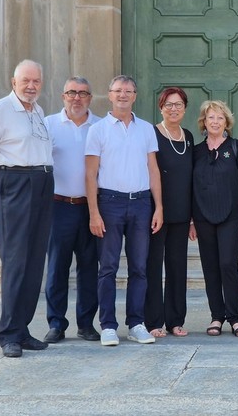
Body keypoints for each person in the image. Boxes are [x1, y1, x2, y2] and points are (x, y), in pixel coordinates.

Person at [0, 59, 54, 358]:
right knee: (16, 261)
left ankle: (22, 329)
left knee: (34, 262)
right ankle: (8, 334)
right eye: (26, 81)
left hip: (43, 184)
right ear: (13, 81)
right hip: (14, 184)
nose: (31, 86)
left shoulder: (39, 111)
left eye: (36, 81)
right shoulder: (0, 109)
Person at [85, 75, 163, 346]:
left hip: (141, 204)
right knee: (107, 267)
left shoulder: (146, 129)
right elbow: (90, 174)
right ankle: (108, 325)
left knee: (139, 267)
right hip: (110, 204)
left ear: (135, 95)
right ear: (109, 94)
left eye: (128, 91)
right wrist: (94, 212)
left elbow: (153, 170)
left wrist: (159, 207)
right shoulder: (97, 130)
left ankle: (136, 323)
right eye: (118, 91)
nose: (123, 95)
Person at [43, 77, 101, 344]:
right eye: (71, 93)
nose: (77, 98)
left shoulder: (101, 126)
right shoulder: (48, 125)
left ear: (90, 97)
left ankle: (86, 324)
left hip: (91, 207)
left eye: (82, 93)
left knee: (90, 268)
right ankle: (56, 323)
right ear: (62, 96)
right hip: (58, 206)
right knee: (57, 268)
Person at [192, 100, 238, 337]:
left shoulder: (236, 147)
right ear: (204, 122)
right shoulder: (195, 152)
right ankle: (216, 316)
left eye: (220, 118)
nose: (215, 122)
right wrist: (190, 221)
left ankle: (234, 318)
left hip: (232, 215)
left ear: (226, 122)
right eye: (210, 118)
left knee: (228, 264)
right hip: (202, 217)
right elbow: (189, 187)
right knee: (210, 268)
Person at [145, 87, 194, 339]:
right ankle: (153, 320)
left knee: (177, 267)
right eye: (168, 104)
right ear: (160, 107)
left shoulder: (188, 136)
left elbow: (191, 178)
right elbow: (152, 174)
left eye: (178, 105)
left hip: (182, 213)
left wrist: (193, 218)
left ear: (185, 108)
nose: (173, 109)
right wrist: (159, 208)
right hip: (156, 213)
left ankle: (175, 320)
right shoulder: (151, 134)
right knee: (153, 266)